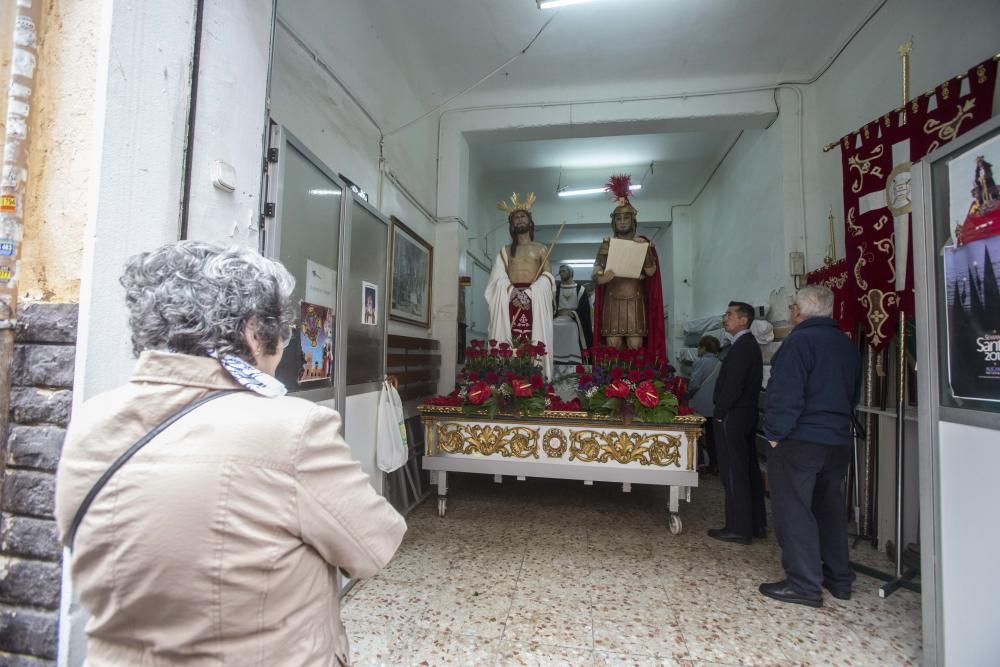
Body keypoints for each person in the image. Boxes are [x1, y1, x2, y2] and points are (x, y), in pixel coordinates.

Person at [55, 241, 406, 665]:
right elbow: (373, 546)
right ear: (253, 331)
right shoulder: (293, 429)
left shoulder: (91, 420)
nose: (284, 344)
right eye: (284, 331)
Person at [759, 285, 861, 608]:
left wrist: (774, 434)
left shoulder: (798, 342)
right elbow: (853, 392)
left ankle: (804, 583)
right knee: (829, 509)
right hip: (837, 440)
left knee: (794, 510)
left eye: (792, 307)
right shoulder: (847, 345)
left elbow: (785, 394)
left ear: (798, 311)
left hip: (801, 441)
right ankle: (838, 578)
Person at [708, 301, 766, 545]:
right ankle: (754, 523)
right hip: (742, 415)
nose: (725, 318)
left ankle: (738, 528)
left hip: (733, 415)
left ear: (744, 320)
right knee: (746, 469)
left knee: (733, 471)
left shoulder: (743, 347)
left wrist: (720, 412)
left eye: (730, 314)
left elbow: (734, 385)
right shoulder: (745, 345)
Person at [591, 174, 666, 362]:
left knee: (635, 347)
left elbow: (650, 272)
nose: (622, 221)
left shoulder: (642, 244)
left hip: (635, 300)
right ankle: (612, 387)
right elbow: (595, 273)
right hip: (612, 299)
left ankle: (636, 386)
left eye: (626, 218)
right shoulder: (606, 246)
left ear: (632, 221)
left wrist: (646, 250)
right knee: (612, 346)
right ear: (614, 222)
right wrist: (602, 277)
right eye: (619, 219)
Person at [485, 192, 555, 378]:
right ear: (511, 224)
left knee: (532, 343)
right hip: (510, 301)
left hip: (534, 303)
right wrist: (512, 292)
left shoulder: (541, 248)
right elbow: (497, 277)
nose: (520, 220)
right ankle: (507, 381)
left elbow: (548, 276)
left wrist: (532, 293)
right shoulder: (505, 250)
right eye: (516, 217)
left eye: (523, 216)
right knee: (510, 343)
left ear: (530, 222)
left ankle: (535, 381)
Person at [684, 335, 722, 473]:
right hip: (714, 406)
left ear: (704, 348)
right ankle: (715, 465)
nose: (698, 350)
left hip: (699, 405)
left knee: (696, 436)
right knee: (713, 438)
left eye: (699, 347)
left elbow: (694, 383)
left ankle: (698, 464)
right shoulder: (720, 363)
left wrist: (687, 394)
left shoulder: (700, 362)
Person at [552, 264, 593, 365]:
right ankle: (555, 358)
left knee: (573, 327)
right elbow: (551, 306)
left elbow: (584, 310)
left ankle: (573, 358)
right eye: (560, 272)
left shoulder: (580, 290)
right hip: (558, 318)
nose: (561, 273)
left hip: (575, 319)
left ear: (571, 273)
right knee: (551, 326)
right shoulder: (555, 290)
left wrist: (573, 313)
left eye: (564, 271)